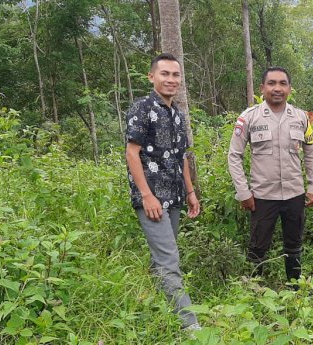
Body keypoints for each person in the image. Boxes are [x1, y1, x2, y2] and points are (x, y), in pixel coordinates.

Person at [125, 53, 201, 331]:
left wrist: (191, 192)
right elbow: (132, 153)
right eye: (165, 74)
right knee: (169, 259)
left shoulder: (177, 113)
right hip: (152, 197)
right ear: (152, 77)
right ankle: (191, 326)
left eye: (175, 75)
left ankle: (150, 304)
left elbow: (181, 157)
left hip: (175, 196)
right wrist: (146, 195)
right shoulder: (142, 109)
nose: (171, 80)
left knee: (162, 258)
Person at [228, 66, 313, 284]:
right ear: (262, 88)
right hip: (262, 196)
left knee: (294, 246)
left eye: (282, 83)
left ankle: (295, 290)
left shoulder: (301, 118)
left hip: (294, 194)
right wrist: (243, 192)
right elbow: (234, 156)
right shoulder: (248, 118)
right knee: (258, 247)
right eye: (271, 83)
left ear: (289, 88)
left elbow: (311, 152)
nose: (277, 88)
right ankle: (254, 293)